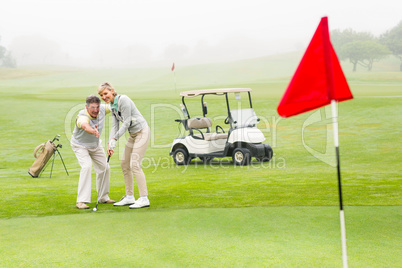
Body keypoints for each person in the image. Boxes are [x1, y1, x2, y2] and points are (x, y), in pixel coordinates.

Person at [98, 82, 151, 209]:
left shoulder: (124, 100)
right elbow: (115, 125)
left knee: (135, 164)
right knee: (124, 163)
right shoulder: (112, 106)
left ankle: (144, 198)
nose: (104, 97)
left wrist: (115, 138)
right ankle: (129, 197)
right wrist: (110, 143)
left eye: (105, 93)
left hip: (142, 132)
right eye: (101, 95)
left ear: (112, 91)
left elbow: (126, 122)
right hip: (133, 134)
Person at [71, 95, 115, 209]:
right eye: (92, 108)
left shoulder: (102, 110)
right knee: (86, 166)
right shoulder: (82, 116)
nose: (96, 110)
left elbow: (113, 106)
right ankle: (81, 201)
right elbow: (85, 126)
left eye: (97, 107)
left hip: (95, 145)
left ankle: (103, 197)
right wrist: (93, 131)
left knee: (105, 167)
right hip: (80, 146)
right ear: (87, 107)